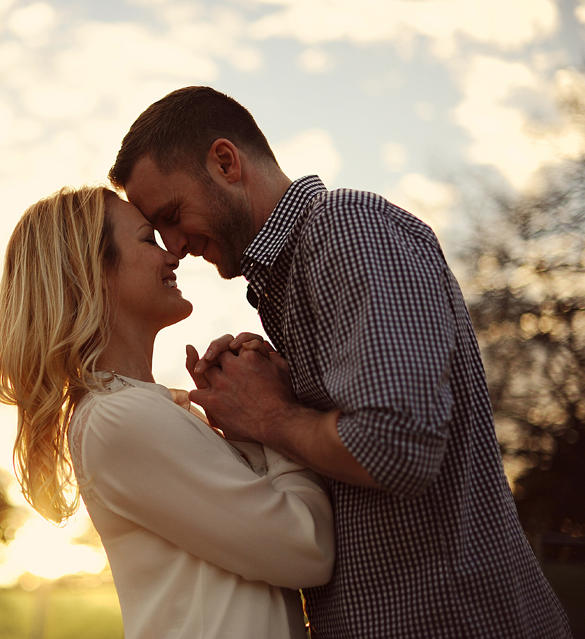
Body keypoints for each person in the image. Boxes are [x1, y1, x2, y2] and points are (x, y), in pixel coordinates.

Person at [108, 85, 571, 638]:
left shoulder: (347, 229)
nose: (174, 246)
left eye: (172, 215)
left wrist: (270, 415)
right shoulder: (287, 280)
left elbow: (396, 444)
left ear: (226, 162)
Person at [0, 185, 334, 639]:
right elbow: (307, 549)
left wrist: (244, 421)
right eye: (149, 239)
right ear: (91, 269)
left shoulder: (136, 409)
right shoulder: (120, 418)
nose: (174, 254)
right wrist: (273, 414)